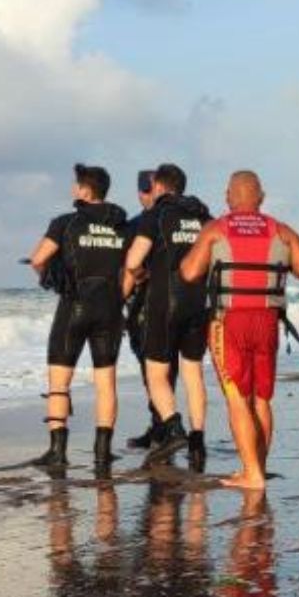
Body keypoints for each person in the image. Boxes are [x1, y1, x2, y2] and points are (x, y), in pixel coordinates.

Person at [180, 171, 299, 489]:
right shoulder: (280, 230)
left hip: (228, 321)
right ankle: (258, 465)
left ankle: (252, 474)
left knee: (236, 398)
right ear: (261, 197)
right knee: (261, 399)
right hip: (267, 321)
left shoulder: (216, 229)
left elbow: (189, 271)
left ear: (229, 196)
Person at [25, 164, 128, 471]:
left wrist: (53, 279)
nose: (73, 189)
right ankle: (102, 452)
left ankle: (58, 451)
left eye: (76, 185)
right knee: (106, 381)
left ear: (85, 190)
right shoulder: (123, 225)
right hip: (110, 308)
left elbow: (38, 259)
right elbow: (132, 268)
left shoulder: (66, 223)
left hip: (75, 305)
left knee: (60, 381)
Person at [123, 164, 211, 465]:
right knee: (193, 372)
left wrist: (140, 273)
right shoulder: (204, 217)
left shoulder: (155, 215)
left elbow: (133, 260)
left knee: (157, 372)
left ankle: (173, 428)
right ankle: (198, 442)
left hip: (165, 302)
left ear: (159, 187)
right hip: (199, 302)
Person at [122, 170, 178, 450]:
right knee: (150, 369)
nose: (148, 195)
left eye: (150, 190)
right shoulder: (133, 225)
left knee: (163, 368)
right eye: (144, 191)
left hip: (162, 302)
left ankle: (164, 426)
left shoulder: (165, 219)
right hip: (141, 304)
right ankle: (159, 425)